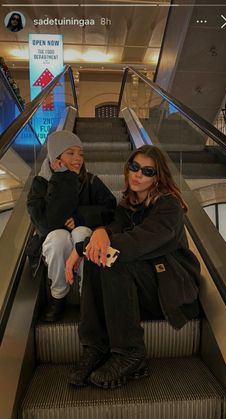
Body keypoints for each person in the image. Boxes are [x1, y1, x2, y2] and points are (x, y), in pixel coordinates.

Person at [65, 144, 201, 389]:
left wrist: (80, 248)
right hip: (139, 288)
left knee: (115, 259)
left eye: (148, 171)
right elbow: (113, 230)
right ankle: (95, 347)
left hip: (170, 289)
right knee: (99, 258)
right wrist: (97, 235)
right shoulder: (126, 206)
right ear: (127, 169)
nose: (138, 174)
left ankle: (130, 352)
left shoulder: (168, 206)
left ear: (158, 177)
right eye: (135, 167)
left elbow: (138, 242)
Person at [27, 130, 116, 322]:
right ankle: (58, 295)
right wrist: (62, 179)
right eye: (71, 153)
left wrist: (81, 216)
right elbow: (44, 224)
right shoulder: (40, 184)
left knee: (82, 232)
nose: (78, 159)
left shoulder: (90, 180)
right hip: (53, 244)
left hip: (81, 242)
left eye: (81, 153)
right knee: (58, 236)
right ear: (56, 157)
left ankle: (88, 296)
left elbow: (111, 209)